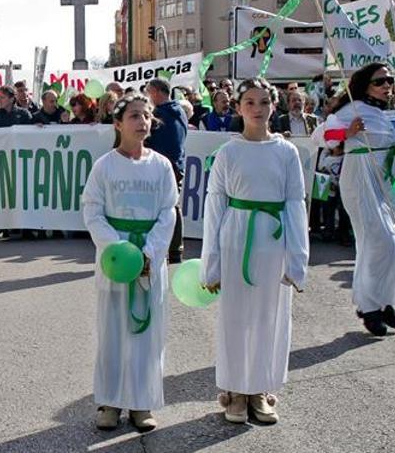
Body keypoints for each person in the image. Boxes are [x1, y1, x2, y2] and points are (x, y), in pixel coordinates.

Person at [200, 77, 309, 425]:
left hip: (272, 242)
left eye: (264, 102)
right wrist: (211, 265)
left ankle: (260, 389)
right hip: (236, 238)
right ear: (238, 108)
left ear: (273, 106)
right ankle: (235, 391)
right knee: (236, 317)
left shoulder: (286, 151)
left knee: (268, 317)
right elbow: (215, 206)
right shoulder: (229, 152)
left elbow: (295, 204)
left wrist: (297, 259)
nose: (258, 109)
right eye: (250, 102)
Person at [82, 93, 178, 432]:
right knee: (112, 330)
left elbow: (168, 211)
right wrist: (121, 251)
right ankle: (110, 401)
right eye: (134, 116)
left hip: (150, 257)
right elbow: (92, 210)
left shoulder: (161, 165)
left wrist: (149, 253)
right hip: (116, 259)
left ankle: (141, 402)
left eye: (147, 115)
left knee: (147, 333)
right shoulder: (105, 166)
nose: (142, 122)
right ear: (118, 123)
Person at [324, 63, 395, 336]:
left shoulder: (394, 111)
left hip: (387, 179)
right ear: (366, 84)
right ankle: (368, 306)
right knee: (379, 240)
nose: (387, 85)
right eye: (380, 81)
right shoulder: (351, 109)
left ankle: (385, 299)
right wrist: (348, 133)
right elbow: (323, 136)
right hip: (360, 177)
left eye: (389, 80)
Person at [144, 78, 187, 263]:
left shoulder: (160, 114)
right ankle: (175, 249)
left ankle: (165, 248)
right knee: (172, 206)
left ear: (157, 92)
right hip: (176, 164)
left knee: (164, 207)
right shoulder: (180, 111)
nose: (148, 96)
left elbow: (150, 139)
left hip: (162, 166)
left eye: (149, 92)